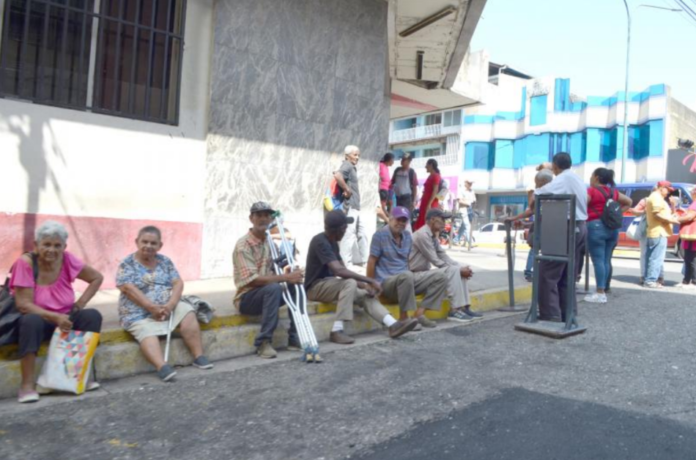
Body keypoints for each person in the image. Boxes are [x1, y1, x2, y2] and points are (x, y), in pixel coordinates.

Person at [11, 221, 104, 403]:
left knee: (92, 316)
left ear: (64, 247)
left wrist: (79, 304)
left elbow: (96, 278)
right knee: (30, 321)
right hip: (39, 320)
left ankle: (80, 376)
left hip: (64, 318)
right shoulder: (25, 263)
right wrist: (55, 316)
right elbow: (23, 304)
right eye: (46, 244)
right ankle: (27, 385)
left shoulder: (67, 259)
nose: (52, 250)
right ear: (36, 245)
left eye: (57, 245)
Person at [117, 226, 213, 382]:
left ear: (159, 246)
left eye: (153, 243)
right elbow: (128, 289)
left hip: (166, 308)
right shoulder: (127, 264)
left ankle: (198, 356)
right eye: (145, 242)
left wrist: (170, 305)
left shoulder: (165, 261)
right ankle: (162, 366)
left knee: (187, 311)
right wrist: (151, 307)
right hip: (138, 312)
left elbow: (178, 283)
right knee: (145, 330)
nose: (148, 246)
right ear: (137, 242)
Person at [305, 211, 417, 344]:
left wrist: (365, 286)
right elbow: (339, 271)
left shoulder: (333, 242)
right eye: (345, 228)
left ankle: (393, 325)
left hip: (330, 285)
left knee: (365, 294)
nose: (346, 230)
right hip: (315, 288)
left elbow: (343, 269)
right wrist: (369, 280)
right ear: (339, 230)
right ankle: (336, 330)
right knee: (350, 283)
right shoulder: (320, 242)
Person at [233, 202, 303, 359]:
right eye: (259, 215)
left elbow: (274, 269)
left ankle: (294, 336)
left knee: (296, 285)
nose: (263, 219)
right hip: (247, 297)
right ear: (251, 218)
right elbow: (252, 281)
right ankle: (263, 342)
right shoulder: (243, 245)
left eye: (267, 215)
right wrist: (284, 277)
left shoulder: (269, 241)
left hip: (266, 292)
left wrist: (289, 273)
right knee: (274, 288)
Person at [367, 206, 449, 328]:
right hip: (387, 283)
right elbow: (371, 261)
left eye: (404, 220)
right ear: (390, 219)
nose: (400, 223)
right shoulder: (379, 235)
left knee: (442, 275)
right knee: (406, 275)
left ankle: (418, 315)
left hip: (406, 279)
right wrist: (370, 284)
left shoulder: (407, 237)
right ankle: (404, 319)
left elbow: (406, 262)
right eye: (398, 219)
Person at [534, 153, 588, 322]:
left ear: (555, 166)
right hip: (580, 226)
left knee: (547, 273)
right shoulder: (576, 178)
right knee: (566, 274)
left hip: (565, 227)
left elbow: (540, 193)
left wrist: (534, 187)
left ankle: (550, 314)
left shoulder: (563, 179)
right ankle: (568, 313)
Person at [409, 209, 480, 322]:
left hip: (422, 276)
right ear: (432, 220)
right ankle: (454, 310)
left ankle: (464, 307)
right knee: (452, 270)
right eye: (442, 219)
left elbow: (443, 255)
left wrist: (460, 267)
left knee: (457, 269)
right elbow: (435, 260)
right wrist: (457, 270)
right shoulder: (422, 235)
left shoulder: (431, 235)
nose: (445, 223)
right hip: (413, 277)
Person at [583, 168, 632, 303]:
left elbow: (582, 205)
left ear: (597, 178)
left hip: (595, 226)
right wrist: (617, 213)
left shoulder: (591, 191)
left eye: (591, 176)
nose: (590, 178)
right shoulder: (613, 192)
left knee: (598, 260)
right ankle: (604, 288)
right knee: (606, 259)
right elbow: (629, 202)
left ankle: (600, 292)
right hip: (612, 228)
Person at [506, 169, 554, 281]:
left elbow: (532, 209)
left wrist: (515, 217)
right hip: (545, 225)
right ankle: (531, 272)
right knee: (537, 249)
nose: (536, 185)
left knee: (535, 249)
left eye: (537, 182)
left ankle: (530, 272)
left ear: (543, 181)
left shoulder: (541, 192)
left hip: (545, 226)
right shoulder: (555, 189)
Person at [334, 145, 368, 268]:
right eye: (355, 155)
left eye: (358, 155)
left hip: (356, 206)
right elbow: (338, 175)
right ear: (347, 155)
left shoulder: (352, 167)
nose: (357, 157)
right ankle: (346, 263)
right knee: (349, 234)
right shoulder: (347, 165)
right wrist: (347, 189)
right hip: (350, 206)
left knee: (362, 234)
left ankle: (365, 261)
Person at [644, 181, 680, 289]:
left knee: (653, 257)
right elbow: (657, 214)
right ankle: (650, 281)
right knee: (656, 258)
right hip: (658, 231)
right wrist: (671, 221)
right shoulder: (656, 197)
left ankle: (651, 279)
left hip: (658, 231)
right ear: (662, 188)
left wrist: (673, 205)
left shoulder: (659, 198)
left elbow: (668, 214)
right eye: (668, 190)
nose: (668, 193)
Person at [676, 186, 696, 288]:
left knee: (690, 259)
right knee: (691, 258)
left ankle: (690, 281)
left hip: (692, 236)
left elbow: (690, 216)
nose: (691, 192)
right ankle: (688, 280)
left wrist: (678, 219)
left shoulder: (694, 204)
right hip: (693, 236)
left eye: (692, 191)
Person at [414, 159, 442, 230]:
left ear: (431, 165)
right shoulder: (430, 176)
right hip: (425, 203)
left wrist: (429, 203)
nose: (425, 167)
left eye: (427, 165)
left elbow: (435, 190)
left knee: (428, 221)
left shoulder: (436, 176)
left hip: (430, 203)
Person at [455, 180, 477, 246]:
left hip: (470, 210)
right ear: (466, 183)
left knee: (464, 226)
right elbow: (459, 200)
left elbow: (474, 200)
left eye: (471, 183)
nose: (470, 184)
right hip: (463, 209)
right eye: (469, 183)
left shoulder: (472, 191)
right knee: (467, 225)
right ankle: (470, 242)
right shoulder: (461, 190)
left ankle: (455, 240)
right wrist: (467, 203)